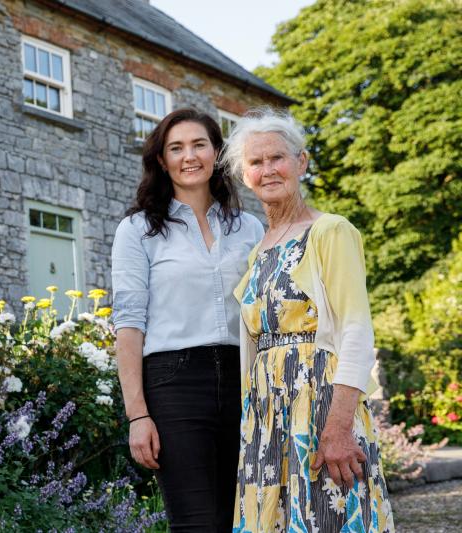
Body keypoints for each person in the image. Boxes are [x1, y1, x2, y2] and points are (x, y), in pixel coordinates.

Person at [221, 108, 394, 532]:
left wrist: (338, 427)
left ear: (301, 162)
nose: (268, 170)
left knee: (328, 516)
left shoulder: (330, 232)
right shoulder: (258, 249)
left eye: (277, 157)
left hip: (320, 404)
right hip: (266, 411)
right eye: (256, 162)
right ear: (245, 175)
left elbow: (356, 329)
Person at [111, 108, 264, 531]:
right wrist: (137, 415)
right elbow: (128, 323)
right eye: (175, 148)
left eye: (199, 144)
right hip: (173, 385)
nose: (188, 156)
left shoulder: (249, 228)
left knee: (247, 518)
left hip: (244, 382)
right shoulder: (138, 230)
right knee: (197, 522)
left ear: (217, 152)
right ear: (162, 160)